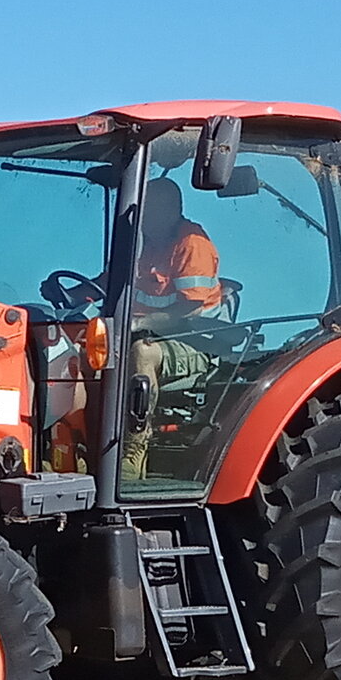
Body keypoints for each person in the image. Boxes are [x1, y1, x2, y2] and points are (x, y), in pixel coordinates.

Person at [125, 176, 226, 477]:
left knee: (142, 353)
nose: (143, 217)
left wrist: (140, 324)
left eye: (150, 210)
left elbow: (190, 307)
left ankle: (132, 450)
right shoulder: (143, 247)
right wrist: (79, 293)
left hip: (196, 344)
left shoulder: (192, 244)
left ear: (172, 210)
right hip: (151, 336)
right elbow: (111, 284)